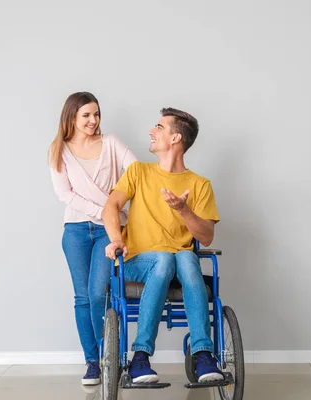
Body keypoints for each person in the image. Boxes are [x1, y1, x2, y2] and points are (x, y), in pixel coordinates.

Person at [102, 107, 224, 384]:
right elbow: (111, 207)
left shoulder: (199, 184)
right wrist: (117, 239)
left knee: (185, 257)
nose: (151, 131)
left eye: (159, 127)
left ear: (175, 138)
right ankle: (141, 356)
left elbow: (205, 236)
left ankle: (203, 353)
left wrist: (184, 210)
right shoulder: (138, 172)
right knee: (169, 259)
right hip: (139, 261)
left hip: (178, 263)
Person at [48, 92, 136, 385]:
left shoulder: (111, 143)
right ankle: (92, 362)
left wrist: (114, 215)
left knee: (99, 293)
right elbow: (65, 194)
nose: (93, 120)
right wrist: (105, 208)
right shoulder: (59, 149)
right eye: (86, 115)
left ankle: (108, 355)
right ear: (72, 117)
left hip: (106, 232)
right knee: (82, 296)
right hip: (75, 230)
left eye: (96, 114)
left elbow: (136, 173)